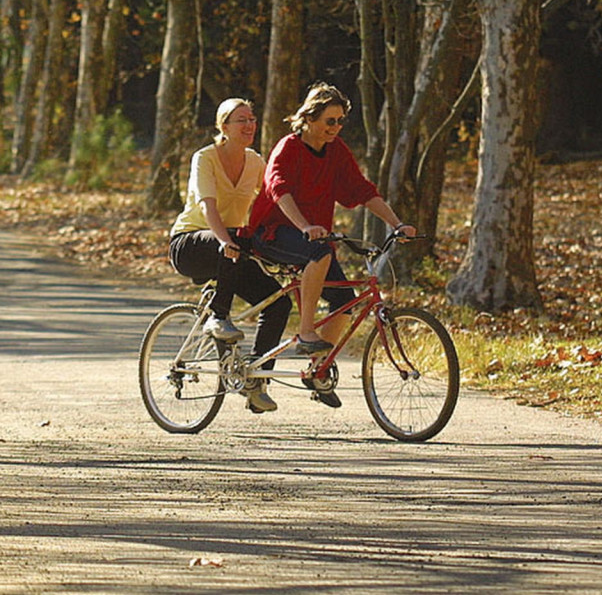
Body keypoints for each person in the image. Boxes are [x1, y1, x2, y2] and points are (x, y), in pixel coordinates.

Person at [245, 83, 416, 408]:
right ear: (308, 118)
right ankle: (307, 332)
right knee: (319, 252)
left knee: (345, 302)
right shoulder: (288, 147)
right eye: (329, 121)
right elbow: (278, 189)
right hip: (273, 231)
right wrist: (305, 226)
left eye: (340, 121)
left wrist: (397, 224)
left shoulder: (335, 151)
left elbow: (361, 189)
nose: (336, 128)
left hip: (313, 237)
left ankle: (318, 369)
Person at [168, 97, 291, 413]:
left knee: (278, 302)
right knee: (235, 242)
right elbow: (208, 206)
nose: (250, 125)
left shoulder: (255, 162)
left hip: (231, 248)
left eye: (252, 119)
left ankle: (257, 380)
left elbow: (271, 202)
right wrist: (225, 240)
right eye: (241, 120)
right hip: (190, 243)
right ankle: (219, 317)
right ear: (223, 126)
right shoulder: (204, 158)